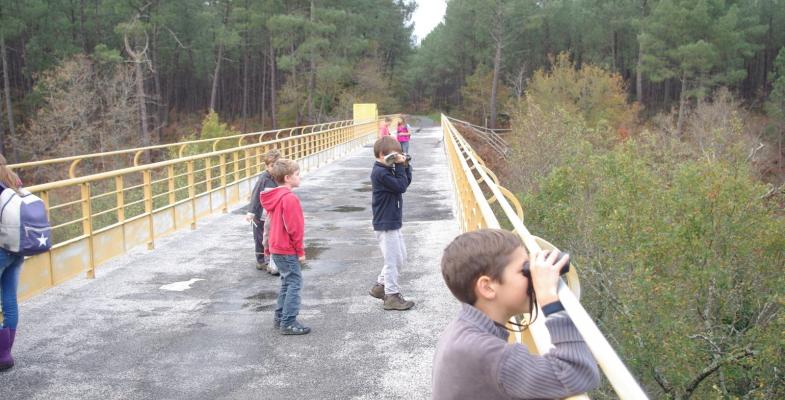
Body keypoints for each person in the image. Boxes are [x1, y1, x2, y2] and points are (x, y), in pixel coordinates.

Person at [432, 229, 600, 399]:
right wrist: (549, 298)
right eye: (525, 271)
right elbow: (579, 372)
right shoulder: (489, 353)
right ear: (487, 287)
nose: (534, 278)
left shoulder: (462, 330)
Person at [260, 159, 310, 335]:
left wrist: (267, 248)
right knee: (294, 282)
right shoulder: (289, 199)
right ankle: (288, 322)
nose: (299, 176)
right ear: (288, 178)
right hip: (286, 248)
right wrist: (300, 251)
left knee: (286, 283)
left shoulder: (274, 197)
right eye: (297, 174)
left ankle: (280, 318)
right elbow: (294, 228)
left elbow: (268, 225)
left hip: (276, 247)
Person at [368, 136, 414, 311]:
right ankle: (391, 296)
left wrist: (406, 166)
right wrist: (400, 167)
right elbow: (400, 186)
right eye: (392, 156)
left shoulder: (386, 169)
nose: (395, 159)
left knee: (400, 257)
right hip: (386, 223)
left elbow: (404, 183)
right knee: (393, 261)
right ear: (381, 155)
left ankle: (380, 286)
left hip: (392, 221)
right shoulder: (380, 172)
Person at [0, 154, 24, 371]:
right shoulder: (13, 179)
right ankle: (5, 354)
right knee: (9, 299)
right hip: (17, 249)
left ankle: (2, 354)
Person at [246, 149, 281, 274]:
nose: (274, 168)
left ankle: (272, 259)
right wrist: (251, 212)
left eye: (276, 165)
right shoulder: (263, 179)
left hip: (271, 215)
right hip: (260, 216)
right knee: (260, 238)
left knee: (271, 237)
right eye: (272, 166)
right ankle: (261, 261)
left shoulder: (279, 178)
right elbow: (255, 196)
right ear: (266, 166)